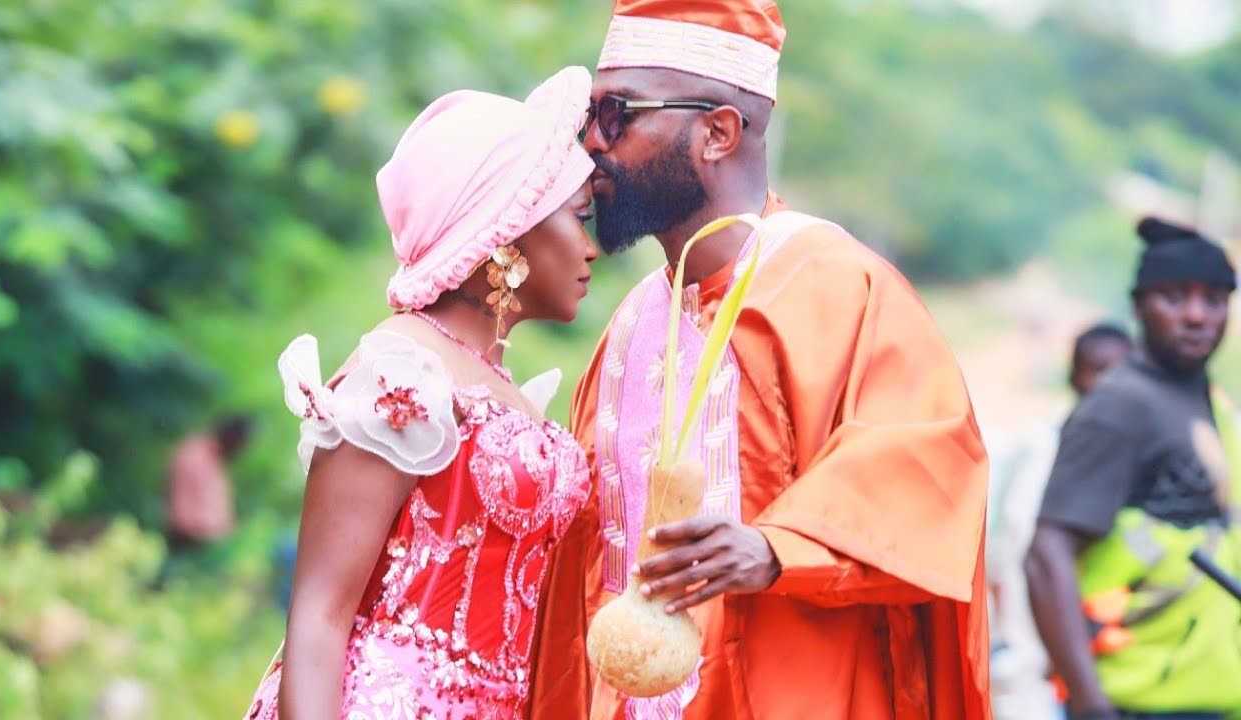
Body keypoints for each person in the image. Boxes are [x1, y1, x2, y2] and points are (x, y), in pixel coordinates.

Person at [528, 2, 991, 718]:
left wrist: (775, 549)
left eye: (618, 114)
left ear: (717, 132)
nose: (592, 143)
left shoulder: (839, 285)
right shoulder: (629, 323)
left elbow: (929, 471)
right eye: (590, 117)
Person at [242, 66, 600, 719]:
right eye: (579, 218)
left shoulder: (503, 388)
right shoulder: (401, 372)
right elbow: (320, 613)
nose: (593, 248)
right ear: (508, 230)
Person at [1026, 217, 1241, 720]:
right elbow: (1045, 556)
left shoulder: (1210, 405)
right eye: (1173, 297)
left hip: (1210, 697)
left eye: (1213, 299)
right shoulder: (1119, 406)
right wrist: (1089, 702)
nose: (1195, 315)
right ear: (1138, 304)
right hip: (1133, 702)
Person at [985, 324, 1132, 720]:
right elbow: (1009, 554)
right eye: (1096, 368)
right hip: (1034, 661)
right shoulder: (1041, 451)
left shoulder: (1142, 457)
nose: (1107, 383)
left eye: (1120, 370)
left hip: (1114, 658)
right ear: (1074, 376)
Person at [167, 415, 253, 548]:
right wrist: (217, 532)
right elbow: (182, 517)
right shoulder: (195, 457)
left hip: (210, 544)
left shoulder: (216, 460)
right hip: (189, 545)